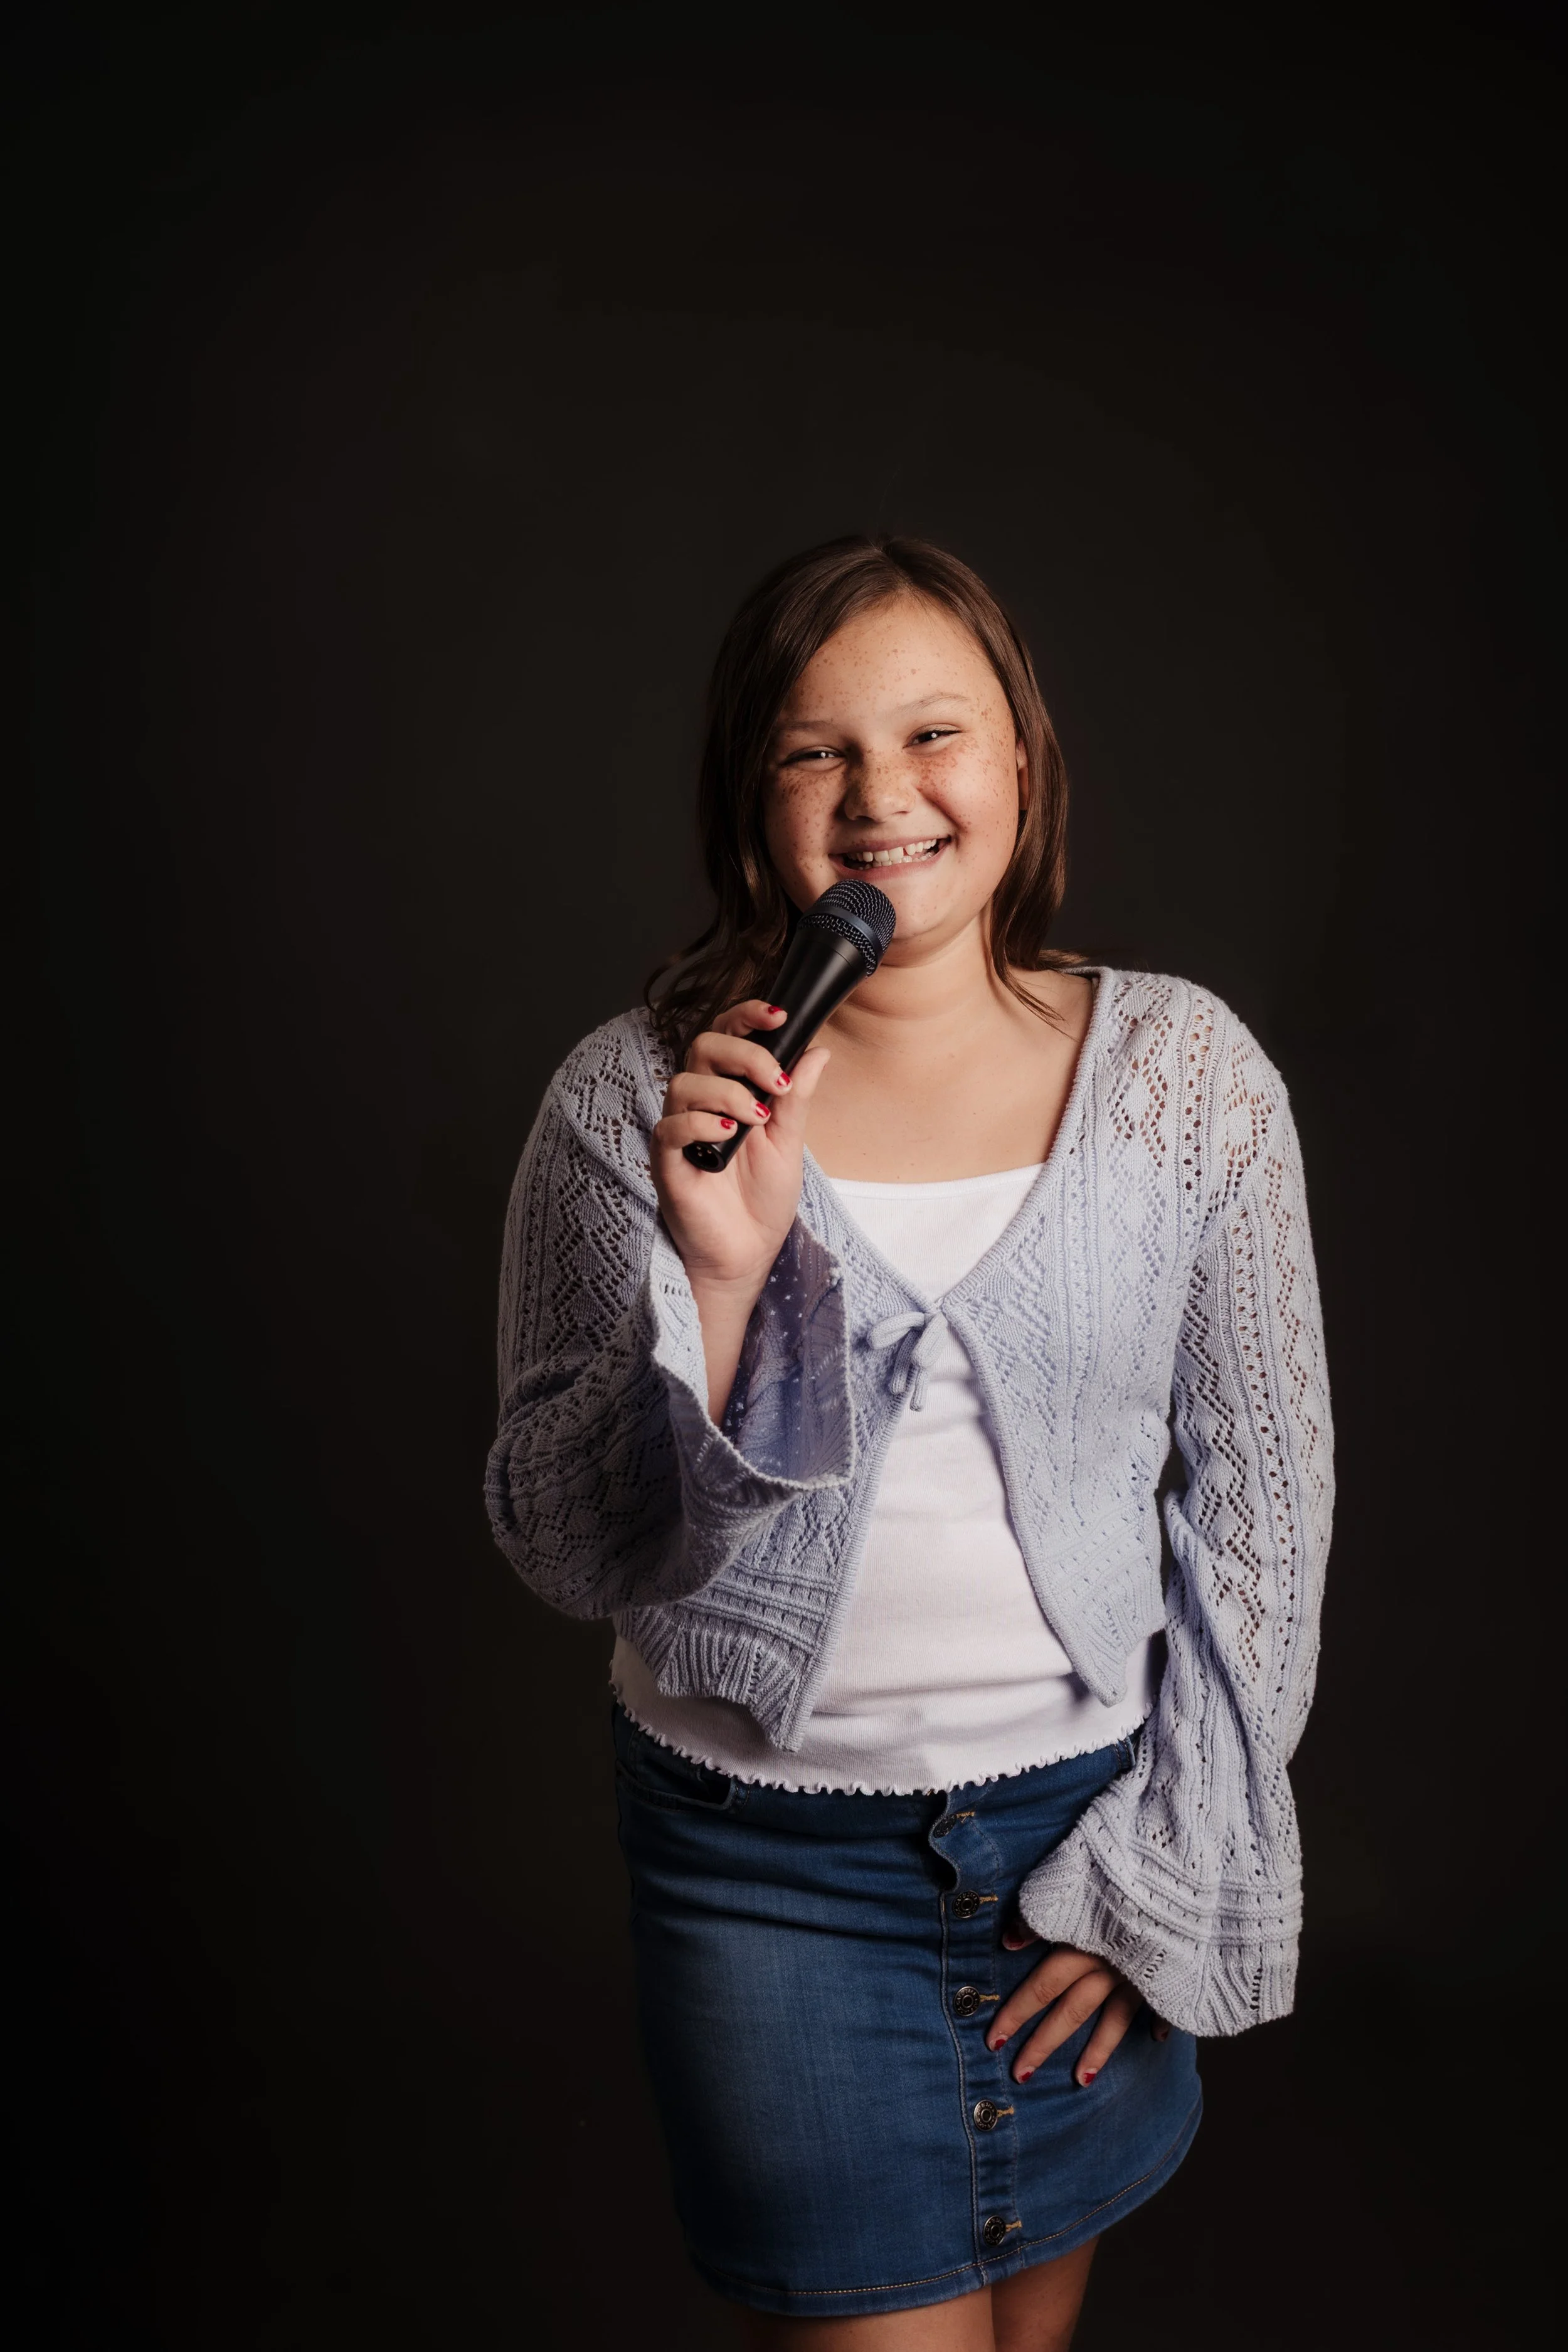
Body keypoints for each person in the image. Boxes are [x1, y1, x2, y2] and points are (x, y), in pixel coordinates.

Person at [486, 536, 1333, 2350]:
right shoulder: (632, 1102)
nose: (882, 798)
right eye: (814, 753)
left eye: (932, 734)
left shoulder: (1187, 1080)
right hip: (766, 1876)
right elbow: (570, 1543)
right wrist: (718, 1291)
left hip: (1078, 1841)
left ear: (1019, 764)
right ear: (748, 802)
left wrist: (1155, 1880)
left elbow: (1267, 1512)